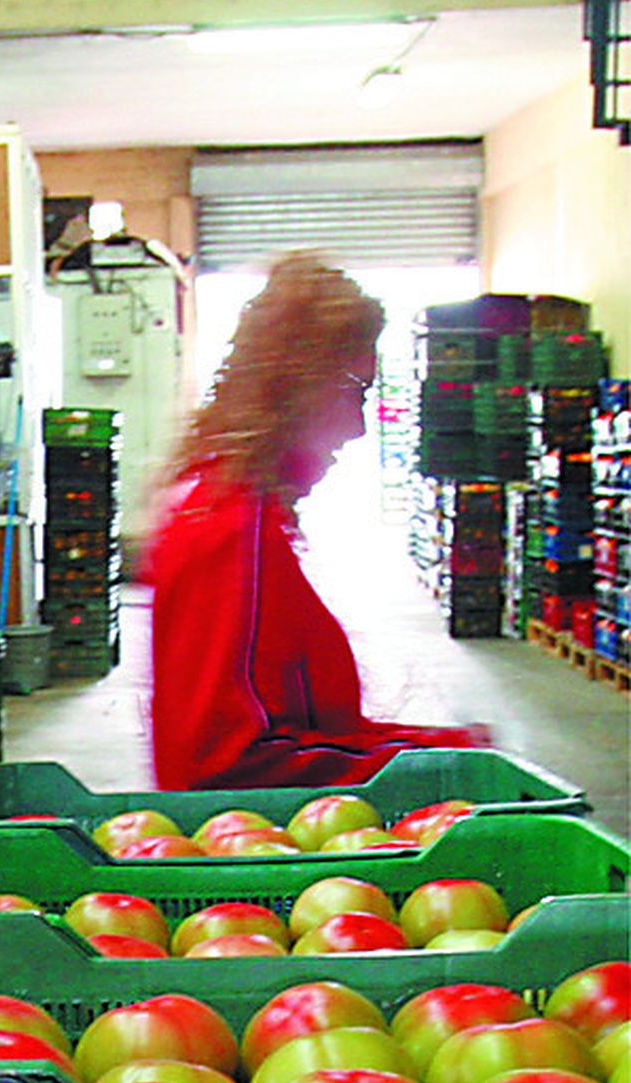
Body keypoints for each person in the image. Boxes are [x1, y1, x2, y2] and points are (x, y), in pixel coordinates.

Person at [145, 252, 488, 789]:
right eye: (355, 391)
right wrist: (439, 763)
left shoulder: (236, 511)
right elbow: (222, 766)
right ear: (295, 387)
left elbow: (288, 732)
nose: (356, 427)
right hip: (260, 860)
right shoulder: (229, 527)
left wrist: (438, 746)